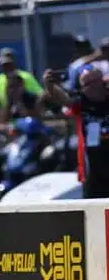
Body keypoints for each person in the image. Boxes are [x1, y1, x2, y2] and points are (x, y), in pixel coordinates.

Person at [42, 66, 109, 198]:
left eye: (93, 82)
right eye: (85, 85)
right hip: (93, 173)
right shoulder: (81, 103)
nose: (90, 88)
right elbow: (62, 99)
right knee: (92, 207)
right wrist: (49, 85)